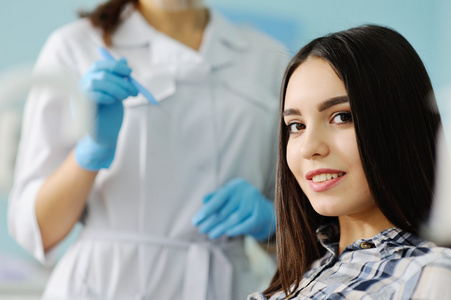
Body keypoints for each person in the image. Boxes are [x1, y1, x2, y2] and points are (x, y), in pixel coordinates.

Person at [8, 0, 289, 299]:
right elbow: (36, 231)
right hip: (104, 286)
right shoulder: (75, 46)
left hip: (225, 286)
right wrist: (90, 152)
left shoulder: (267, 58)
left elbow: (303, 236)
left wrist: (271, 224)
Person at [248, 24, 451, 300]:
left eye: (342, 117)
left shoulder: (431, 276)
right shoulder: (303, 273)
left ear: (401, 125)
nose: (309, 147)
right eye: (296, 125)